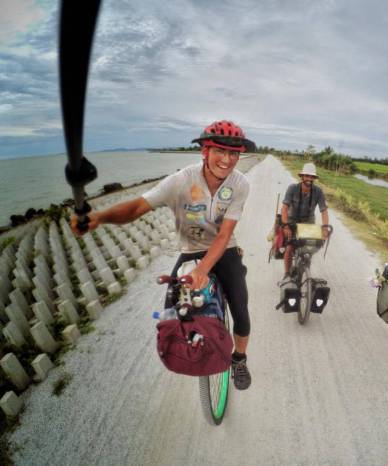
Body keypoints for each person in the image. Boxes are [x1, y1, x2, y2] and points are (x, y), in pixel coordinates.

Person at [71, 120, 255, 390]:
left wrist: (202, 270)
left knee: (241, 309)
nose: (227, 160)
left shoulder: (240, 184)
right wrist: (99, 217)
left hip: (223, 249)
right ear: (204, 150)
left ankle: (239, 359)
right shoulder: (181, 181)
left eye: (234, 153)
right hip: (190, 250)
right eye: (220, 151)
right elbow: (137, 207)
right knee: (177, 310)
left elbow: (225, 234)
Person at [280, 162, 330, 278]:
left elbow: (324, 210)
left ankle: (304, 269)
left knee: (309, 249)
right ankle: (287, 274)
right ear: (302, 177)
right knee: (289, 248)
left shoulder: (318, 191)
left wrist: (325, 228)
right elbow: (285, 208)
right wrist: (286, 226)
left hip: (308, 223)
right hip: (292, 221)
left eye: (312, 176)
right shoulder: (292, 188)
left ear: (314, 179)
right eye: (307, 176)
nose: (309, 179)